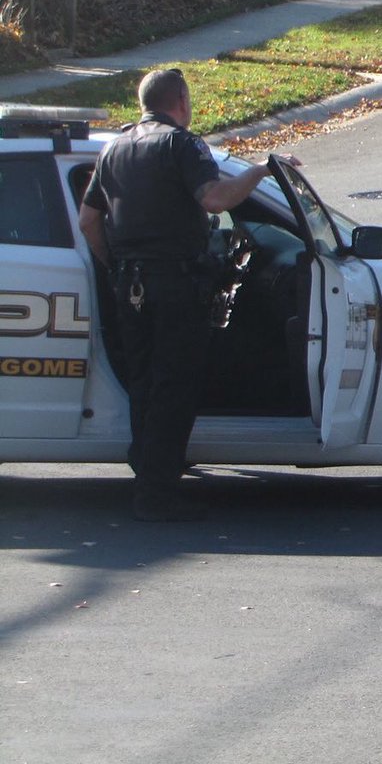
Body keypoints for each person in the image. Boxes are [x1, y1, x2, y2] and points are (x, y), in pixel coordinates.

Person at [78, 68, 299, 522]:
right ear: (180, 100)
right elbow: (215, 199)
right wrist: (260, 171)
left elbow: (88, 220)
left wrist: (115, 270)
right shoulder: (182, 144)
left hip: (131, 288)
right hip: (176, 287)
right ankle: (156, 498)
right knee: (174, 389)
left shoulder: (114, 148)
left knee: (145, 386)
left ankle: (149, 477)